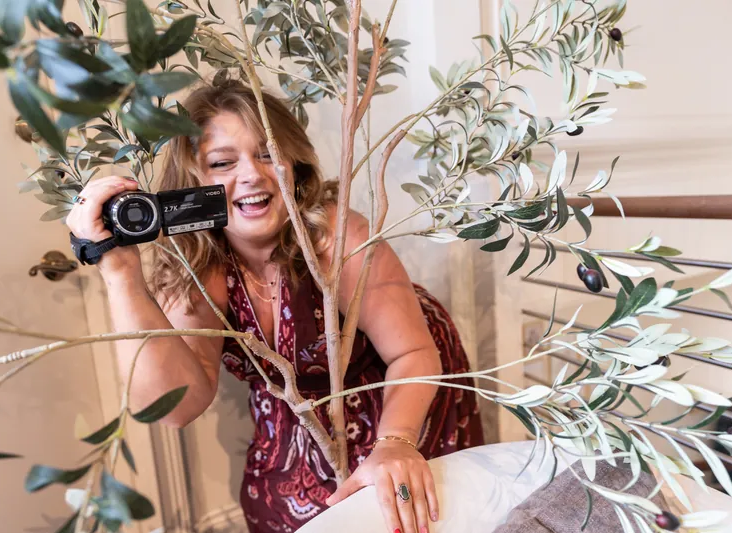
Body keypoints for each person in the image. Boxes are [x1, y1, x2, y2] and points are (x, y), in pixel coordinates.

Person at [66, 76, 483, 533]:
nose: (251, 175)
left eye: (267, 153)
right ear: (193, 183)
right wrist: (120, 273)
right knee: (279, 511)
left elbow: (413, 354)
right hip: (295, 405)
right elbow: (176, 407)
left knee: (406, 510)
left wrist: (396, 442)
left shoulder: (339, 239)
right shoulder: (196, 268)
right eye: (222, 162)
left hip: (399, 380)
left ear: (294, 162)